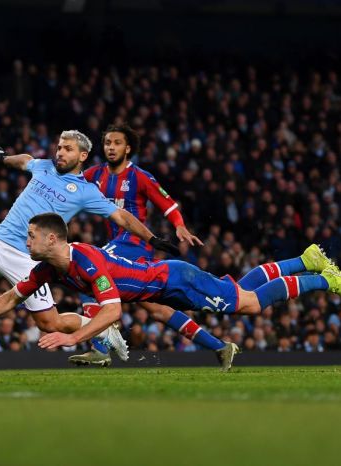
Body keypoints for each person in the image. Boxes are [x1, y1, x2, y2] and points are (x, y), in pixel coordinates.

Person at [0, 213, 341, 370]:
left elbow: (112, 314)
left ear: (50, 238)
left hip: (175, 281)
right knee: (239, 289)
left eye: (30, 236)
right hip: (164, 289)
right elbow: (13, 296)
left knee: (251, 304)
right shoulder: (48, 267)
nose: (25, 242)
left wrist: (71, 336)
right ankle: (306, 260)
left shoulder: (87, 261)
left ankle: (326, 279)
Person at [0, 129, 180, 358]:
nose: (60, 153)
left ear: (82, 156)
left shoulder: (86, 191)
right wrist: (4, 158)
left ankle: (101, 330)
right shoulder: (44, 166)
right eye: (59, 147)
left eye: (68, 149)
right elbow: (25, 161)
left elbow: (121, 216)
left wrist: (152, 238)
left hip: (29, 259)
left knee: (50, 324)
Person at [71, 123, 228, 368]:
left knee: (89, 272)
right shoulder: (94, 174)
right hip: (116, 246)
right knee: (157, 309)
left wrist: (179, 225)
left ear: (128, 148)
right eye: (107, 143)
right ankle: (220, 346)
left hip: (134, 244)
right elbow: (68, 183)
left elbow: (168, 205)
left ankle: (100, 348)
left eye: (117, 143)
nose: (111, 148)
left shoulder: (140, 176)